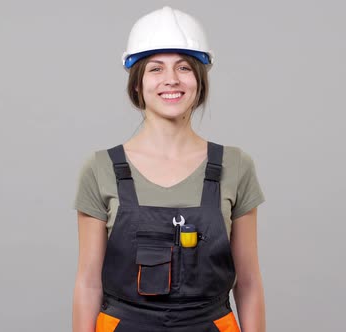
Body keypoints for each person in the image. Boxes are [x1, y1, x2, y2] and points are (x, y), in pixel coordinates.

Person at [72, 6, 266, 331]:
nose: (171, 80)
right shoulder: (100, 169)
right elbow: (88, 284)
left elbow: (247, 283)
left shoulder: (235, 166)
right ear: (137, 84)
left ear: (200, 81)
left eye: (184, 68)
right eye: (155, 69)